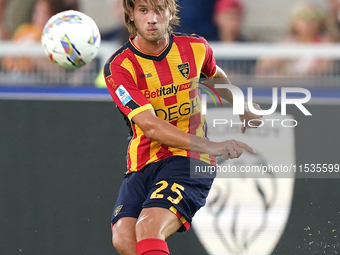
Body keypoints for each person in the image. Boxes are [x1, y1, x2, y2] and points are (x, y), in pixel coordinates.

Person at [103, 0, 262, 254]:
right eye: (143, 10)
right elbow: (151, 127)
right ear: (131, 15)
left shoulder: (195, 48)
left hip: (190, 159)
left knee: (149, 227)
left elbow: (214, 74)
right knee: (124, 239)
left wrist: (241, 106)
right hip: (143, 163)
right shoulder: (119, 67)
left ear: (171, 13)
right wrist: (214, 145)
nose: (152, 19)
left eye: (159, 10)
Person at [255, 2, 334, 77]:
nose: (307, 22)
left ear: (321, 22)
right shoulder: (287, 43)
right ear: (293, 21)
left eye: (313, 17)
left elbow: (324, 70)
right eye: (302, 16)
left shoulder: (325, 44)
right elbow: (265, 65)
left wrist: (296, 75)